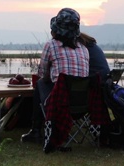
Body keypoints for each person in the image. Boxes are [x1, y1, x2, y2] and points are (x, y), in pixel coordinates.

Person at [21, 8, 90, 143]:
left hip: (60, 104)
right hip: (83, 106)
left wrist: (50, 75)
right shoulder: (84, 48)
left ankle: (35, 130)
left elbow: (42, 74)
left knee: (41, 83)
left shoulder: (51, 45)